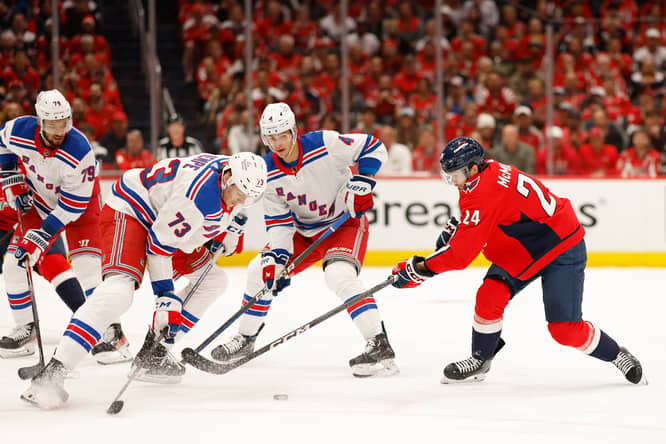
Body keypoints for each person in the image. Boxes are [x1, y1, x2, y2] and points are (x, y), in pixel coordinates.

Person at [390, 136, 646, 385]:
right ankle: (481, 359)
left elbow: (460, 255)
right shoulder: (484, 174)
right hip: (525, 247)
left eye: (455, 174)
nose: (453, 182)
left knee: (565, 329)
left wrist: (419, 269)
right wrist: (462, 226)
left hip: (561, 245)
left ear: (473, 168)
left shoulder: (482, 191)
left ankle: (617, 354)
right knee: (490, 294)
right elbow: (497, 214)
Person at [21, 151, 268, 408]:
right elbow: (160, 245)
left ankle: (153, 356)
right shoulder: (199, 197)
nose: (243, 199)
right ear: (227, 178)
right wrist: (165, 298)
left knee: (214, 281)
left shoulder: (233, 173)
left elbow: (212, 215)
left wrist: (229, 226)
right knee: (119, 291)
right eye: (240, 192)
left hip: (166, 221)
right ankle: (53, 372)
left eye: (250, 197)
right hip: (133, 211)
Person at [211, 102, 399, 378]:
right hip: (302, 233)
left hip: (344, 224)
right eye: (270, 137)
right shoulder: (267, 171)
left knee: (339, 275)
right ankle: (246, 338)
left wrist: (365, 178)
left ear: (294, 131)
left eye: (282, 135)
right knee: (257, 272)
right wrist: (278, 261)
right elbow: (279, 222)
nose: (277, 143)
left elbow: (372, 146)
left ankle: (378, 343)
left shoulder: (324, 143)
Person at [0, 89, 110, 359]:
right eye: (52, 124)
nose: (59, 130)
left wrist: (42, 236)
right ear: (40, 122)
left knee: (88, 272)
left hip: (79, 210)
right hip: (40, 202)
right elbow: (2, 143)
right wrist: (10, 174)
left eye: (63, 123)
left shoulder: (79, 150)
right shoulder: (20, 129)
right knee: (15, 264)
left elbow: (73, 206)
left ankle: (110, 335)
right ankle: (27, 329)